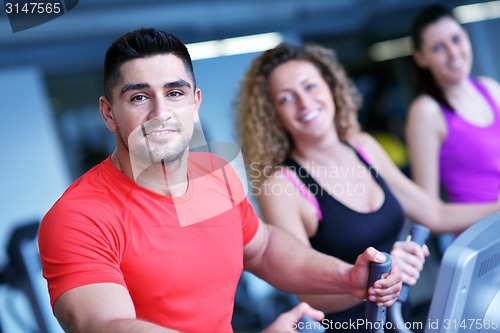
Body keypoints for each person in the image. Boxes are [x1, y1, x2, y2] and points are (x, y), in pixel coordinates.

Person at [37, 28, 403, 333]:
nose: (160, 112)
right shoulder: (79, 218)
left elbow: (262, 248)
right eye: (138, 97)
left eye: (174, 93)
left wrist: (347, 277)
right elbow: (106, 325)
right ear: (109, 113)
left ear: (195, 103)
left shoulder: (212, 174)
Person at [235, 42, 500, 332]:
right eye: (286, 98)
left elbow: (434, 213)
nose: (304, 102)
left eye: (310, 86)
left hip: (399, 320)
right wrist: (378, 276)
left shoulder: (365, 148)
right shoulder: (283, 184)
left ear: (331, 86)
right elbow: (307, 292)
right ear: (273, 114)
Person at [405, 4, 500, 247]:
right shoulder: (426, 112)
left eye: (456, 39)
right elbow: (427, 213)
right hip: (485, 245)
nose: (453, 52)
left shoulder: (490, 88)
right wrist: (495, 211)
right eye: (438, 47)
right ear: (421, 58)